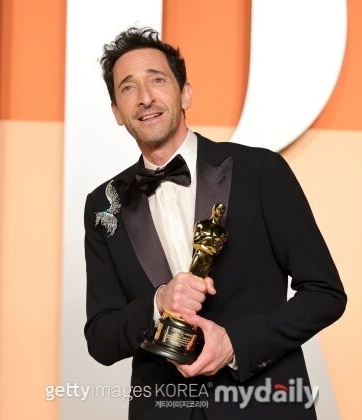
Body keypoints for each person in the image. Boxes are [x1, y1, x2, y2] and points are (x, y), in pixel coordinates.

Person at [83, 27, 347, 420]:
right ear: (117, 113)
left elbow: (326, 294)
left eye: (157, 80)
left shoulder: (261, 171)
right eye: (128, 88)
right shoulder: (104, 205)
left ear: (185, 94)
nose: (145, 97)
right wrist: (157, 304)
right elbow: (101, 339)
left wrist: (235, 344)